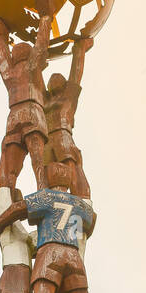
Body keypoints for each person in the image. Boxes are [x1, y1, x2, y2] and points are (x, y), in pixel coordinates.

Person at [0, 161, 103, 293]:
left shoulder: (46, 196)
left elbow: (19, 208)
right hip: (73, 255)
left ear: (49, 178)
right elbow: (91, 220)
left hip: (50, 252)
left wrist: (1, 221)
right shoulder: (79, 204)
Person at [0, 0, 54, 190]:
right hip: (31, 113)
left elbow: (2, 58)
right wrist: (45, 17)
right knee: (35, 158)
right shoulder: (31, 67)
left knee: (17, 160)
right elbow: (41, 44)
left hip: (15, 116)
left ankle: (7, 193)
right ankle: (35, 189)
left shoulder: (13, 73)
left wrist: (0, 37)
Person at [43, 34, 93, 198]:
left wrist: (79, 50)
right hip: (46, 140)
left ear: (64, 84)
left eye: (58, 77)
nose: (54, 79)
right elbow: (34, 81)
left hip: (63, 135)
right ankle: (51, 203)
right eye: (51, 78)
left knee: (70, 165)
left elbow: (76, 74)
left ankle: (82, 197)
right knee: (46, 173)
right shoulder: (44, 101)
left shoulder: (68, 97)